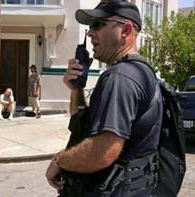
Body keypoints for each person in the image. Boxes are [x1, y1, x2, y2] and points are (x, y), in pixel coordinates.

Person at [45, 1, 163, 196]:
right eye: (90, 26)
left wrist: (59, 161)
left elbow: (102, 152)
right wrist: (76, 89)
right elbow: (84, 127)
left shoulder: (119, 78)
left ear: (125, 29)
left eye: (98, 24)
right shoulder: (142, 72)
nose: (90, 33)